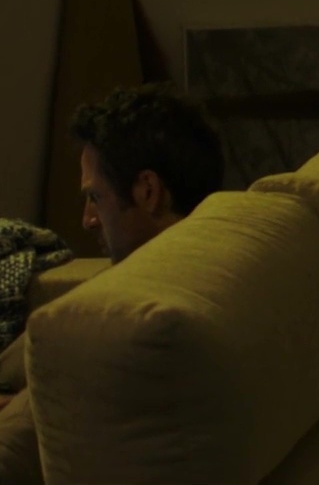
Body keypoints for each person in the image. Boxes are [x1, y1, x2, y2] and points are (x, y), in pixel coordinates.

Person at [0, 83, 224, 475]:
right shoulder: (218, 255)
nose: (87, 220)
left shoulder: (116, 325)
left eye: (95, 197)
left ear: (148, 191)